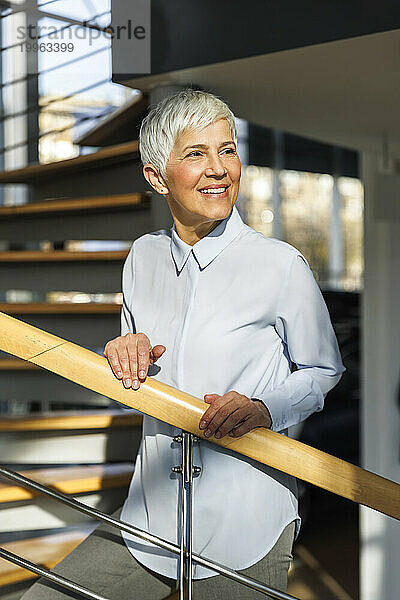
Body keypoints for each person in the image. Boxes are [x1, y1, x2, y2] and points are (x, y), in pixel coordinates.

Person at [22, 88, 345, 599]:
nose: (219, 168)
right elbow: (139, 364)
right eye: (196, 154)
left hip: (248, 522)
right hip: (151, 513)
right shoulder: (141, 258)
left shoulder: (281, 266)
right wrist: (125, 351)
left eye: (227, 149)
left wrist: (264, 407)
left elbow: (323, 371)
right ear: (156, 177)